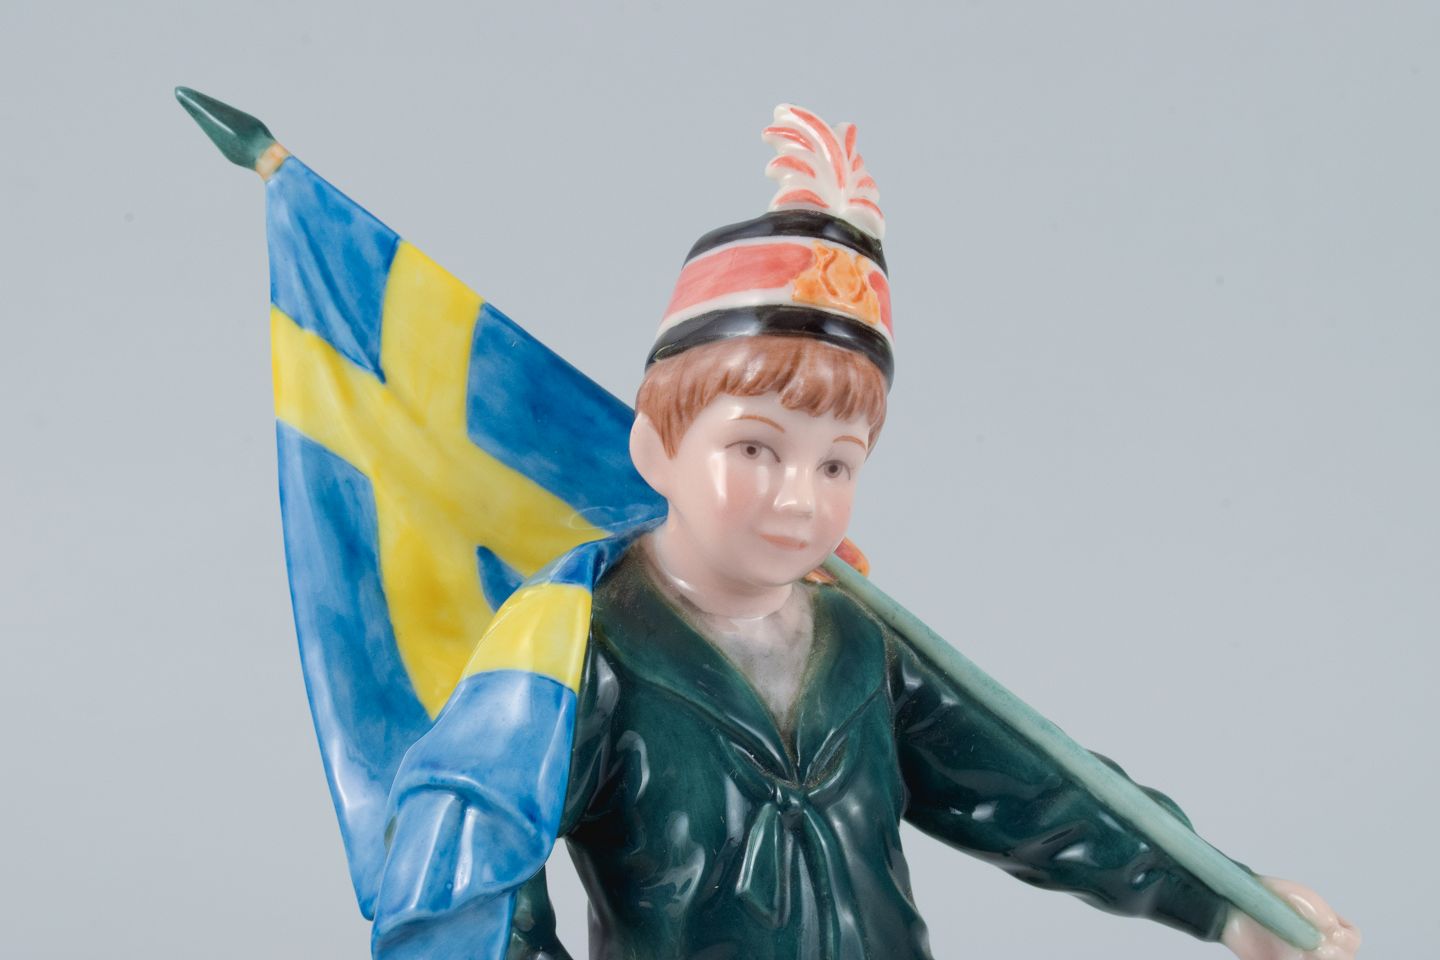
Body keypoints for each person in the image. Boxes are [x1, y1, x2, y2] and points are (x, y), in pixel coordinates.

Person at [370, 105, 1360, 960]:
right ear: (656, 445)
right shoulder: (581, 654)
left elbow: (1036, 791)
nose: (798, 497)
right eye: (755, 449)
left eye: (836, 464)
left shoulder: (859, 642)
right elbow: (461, 879)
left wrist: (1222, 901)